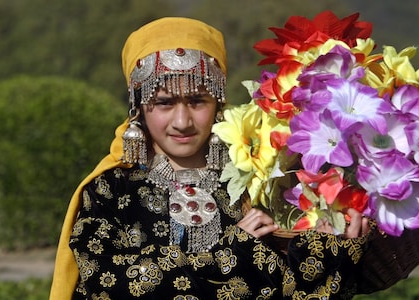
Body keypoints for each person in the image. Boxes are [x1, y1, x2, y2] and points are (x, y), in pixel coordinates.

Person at [50, 17, 376, 300]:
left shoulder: (255, 181)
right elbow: (108, 283)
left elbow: (289, 287)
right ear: (137, 106)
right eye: (164, 103)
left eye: (196, 101)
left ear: (219, 101)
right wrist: (232, 255)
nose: (182, 122)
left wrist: (327, 249)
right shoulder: (110, 191)